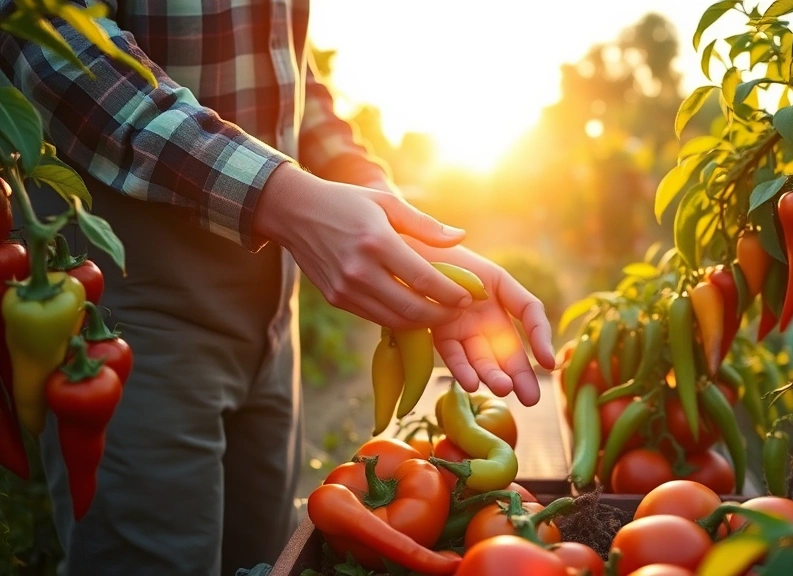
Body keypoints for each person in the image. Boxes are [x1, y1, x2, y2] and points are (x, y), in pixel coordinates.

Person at [0, 1, 556, 574]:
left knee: (270, 560)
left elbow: (290, 75)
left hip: (272, 305)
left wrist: (393, 219)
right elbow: (49, 41)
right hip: (133, 304)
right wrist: (284, 201)